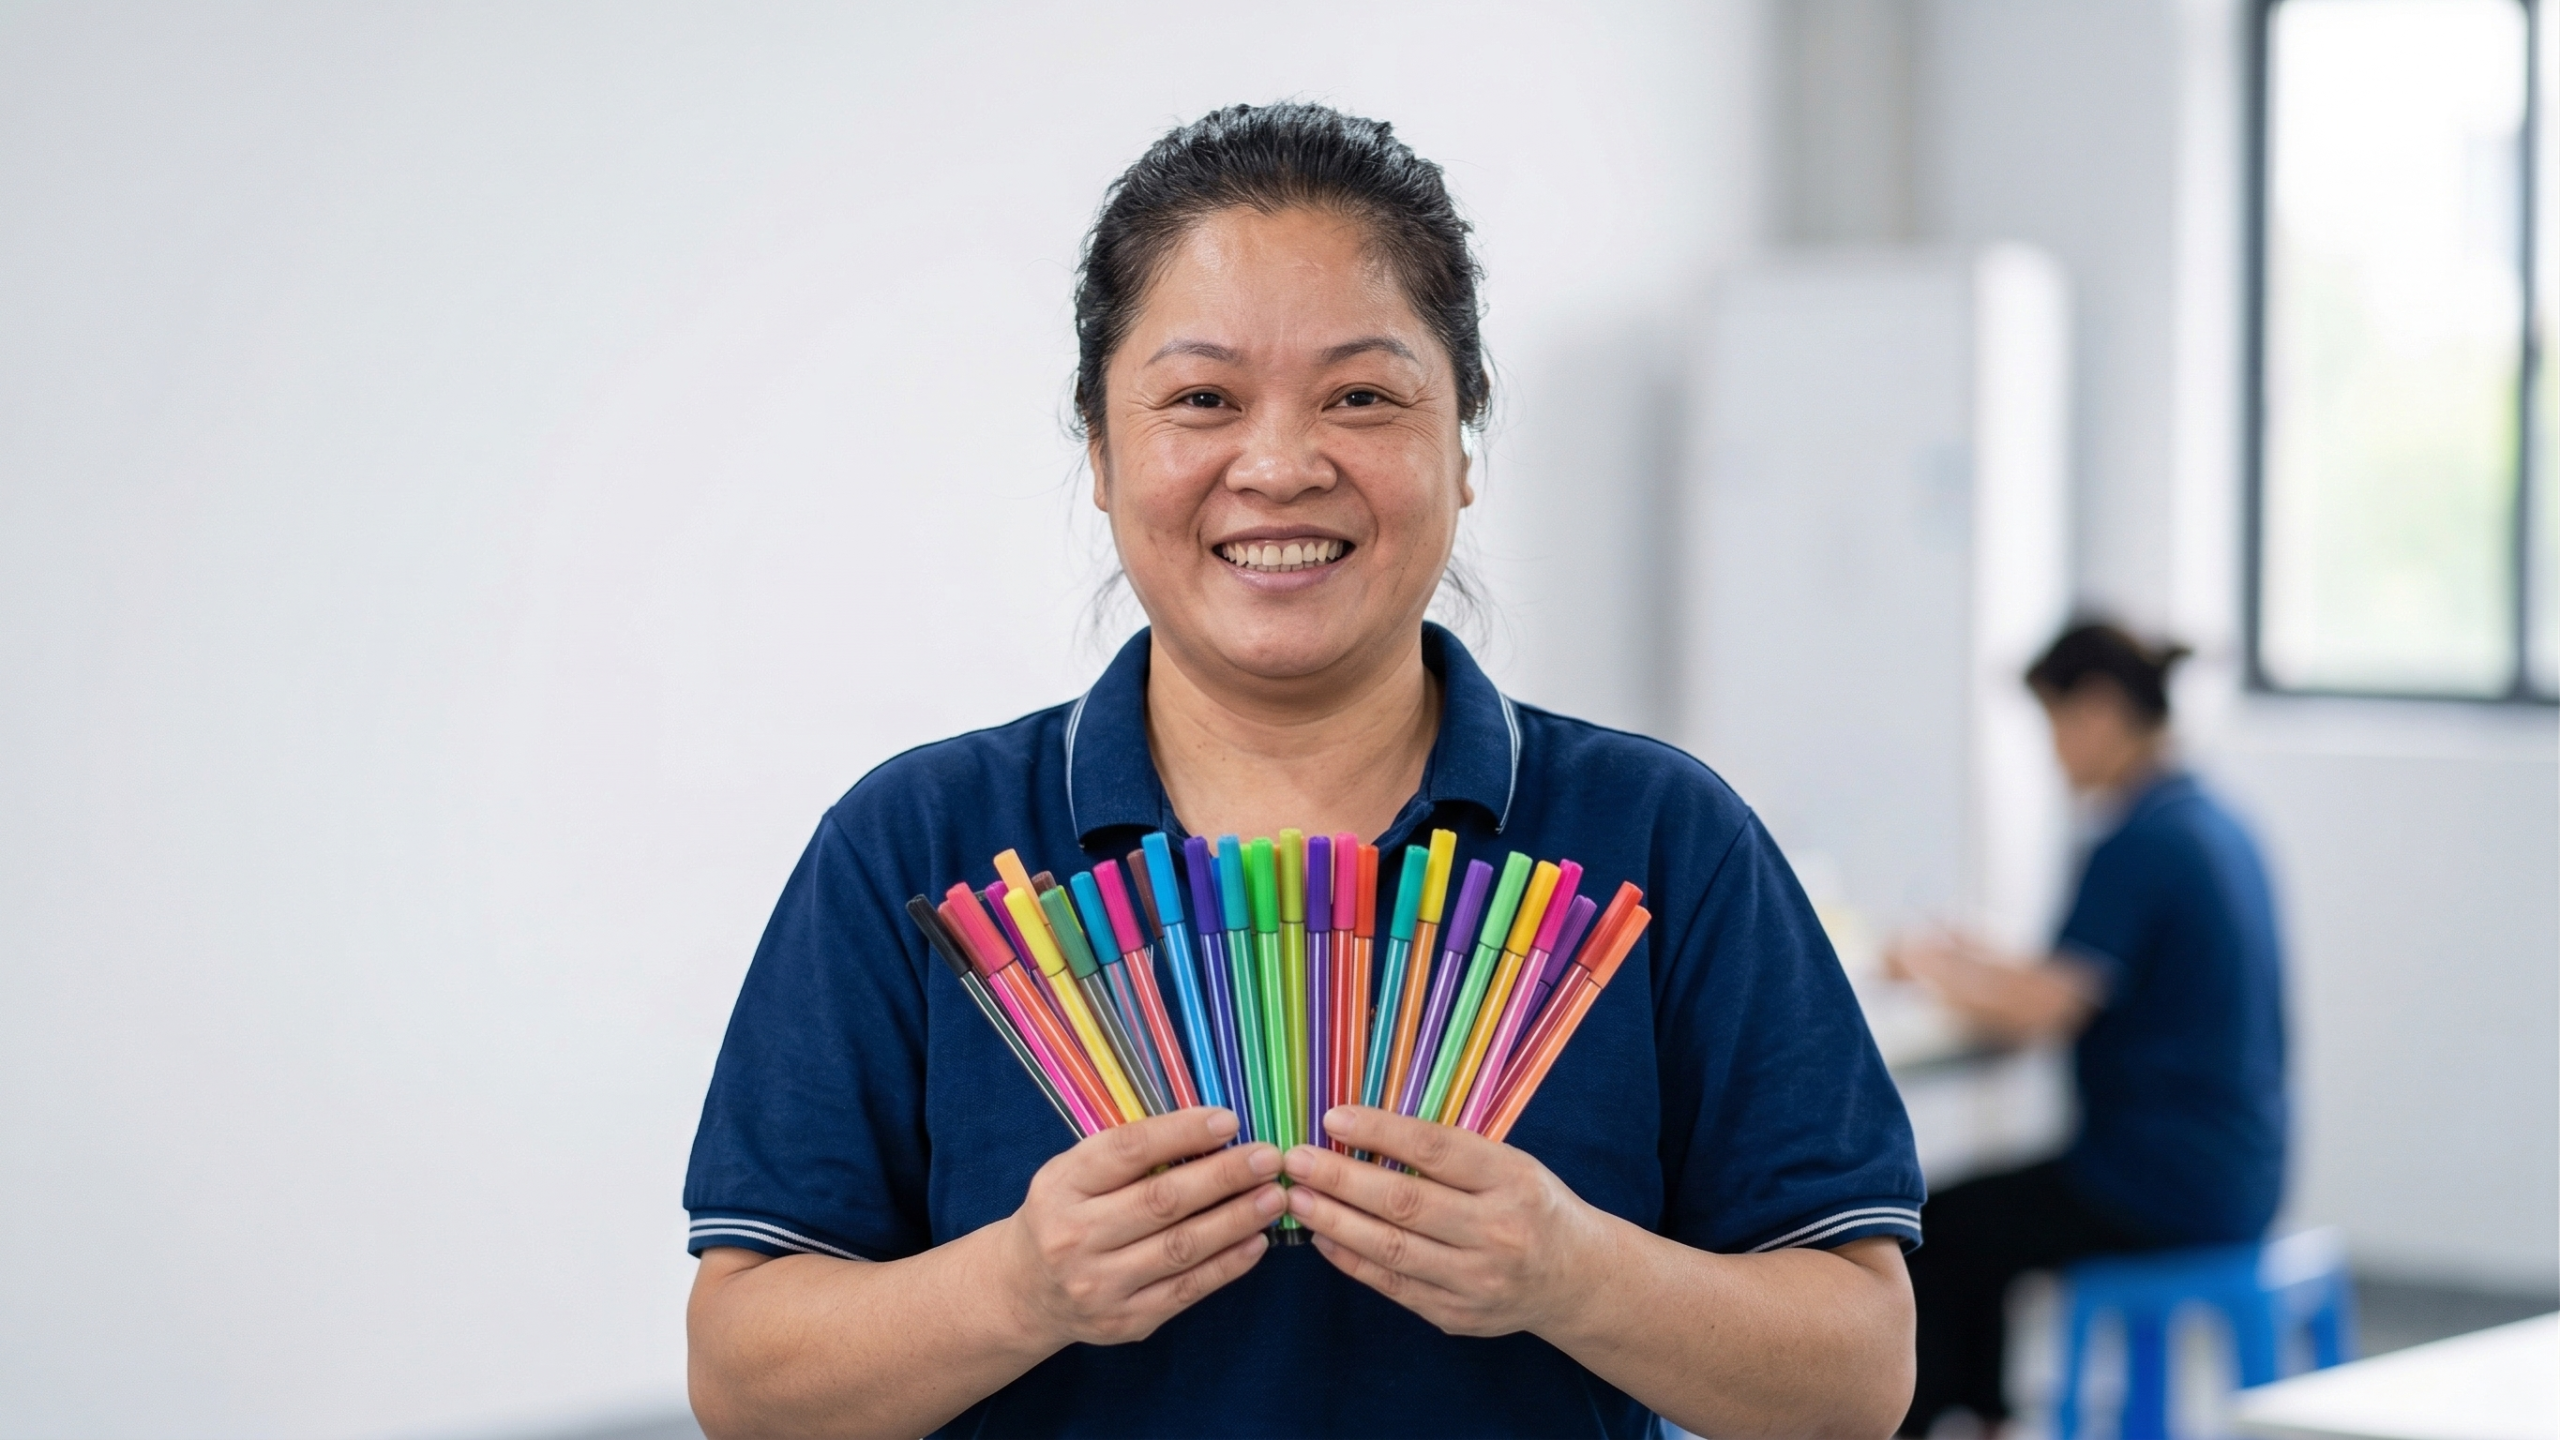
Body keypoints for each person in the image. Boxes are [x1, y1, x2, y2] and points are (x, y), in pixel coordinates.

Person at [682, 102, 1924, 1440]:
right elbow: (746, 1385)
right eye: (1203, 399)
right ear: (1100, 455)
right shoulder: (920, 847)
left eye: (1363, 397)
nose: (1278, 465)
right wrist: (1022, 1285)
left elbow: (1859, 1374)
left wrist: (1572, 1271)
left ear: (1461, 448)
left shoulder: (1658, 837)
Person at [1887, 622, 2287, 1436]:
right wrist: (1978, 960)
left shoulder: (2140, 842)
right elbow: (2076, 975)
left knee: (1938, 1227)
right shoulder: (2207, 819)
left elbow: (2044, 1009)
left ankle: (1937, 1422)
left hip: (2160, 1181)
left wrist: (1926, 968)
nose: (2055, 755)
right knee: (1973, 1218)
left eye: (2054, 726)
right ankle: (1987, 1417)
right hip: (2235, 1165)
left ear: (2099, 712)